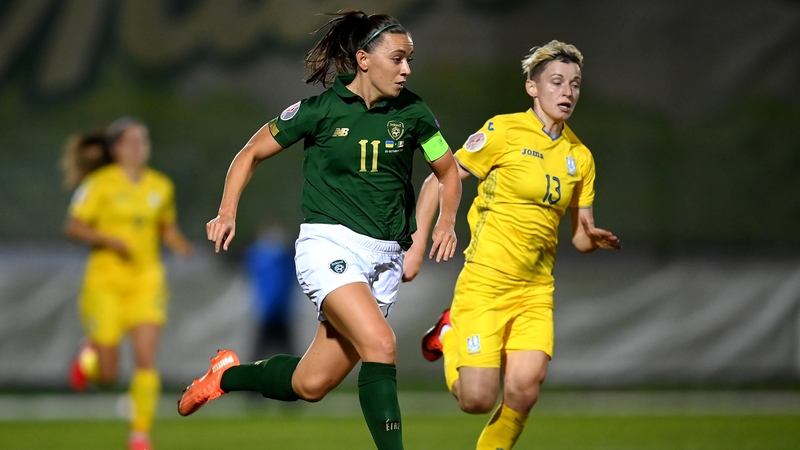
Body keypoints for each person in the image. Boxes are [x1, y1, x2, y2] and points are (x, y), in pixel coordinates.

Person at [177, 10, 462, 450]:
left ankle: (225, 375)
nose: (406, 69)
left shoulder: (415, 114)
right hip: (329, 245)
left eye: (410, 60)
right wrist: (227, 210)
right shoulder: (321, 110)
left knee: (310, 384)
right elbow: (251, 152)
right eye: (398, 58)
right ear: (364, 59)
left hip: (384, 258)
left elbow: (448, 173)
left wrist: (441, 223)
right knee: (382, 346)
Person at [408, 40, 621, 450]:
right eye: (556, 82)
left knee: (523, 392)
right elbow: (439, 178)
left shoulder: (581, 156)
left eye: (575, 84)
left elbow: (579, 236)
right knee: (476, 399)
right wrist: (423, 239)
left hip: (535, 292)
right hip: (485, 283)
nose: (567, 92)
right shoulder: (502, 131)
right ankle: (448, 331)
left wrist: (592, 238)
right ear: (532, 88)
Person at [63, 117, 193, 450]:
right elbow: (74, 227)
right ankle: (89, 357)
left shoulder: (161, 185)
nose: (140, 147)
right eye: (133, 141)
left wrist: (179, 243)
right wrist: (108, 239)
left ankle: (139, 434)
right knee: (107, 375)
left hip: (146, 280)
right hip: (105, 283)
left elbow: (165, 226)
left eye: (144, 140)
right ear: (116, 148)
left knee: (146, 358)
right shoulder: (99, 184)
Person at [242, 220, 297, 360]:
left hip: (279, 311)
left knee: (285, 353)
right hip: (268, 310)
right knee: (262, 353)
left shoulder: (284, 257)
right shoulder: (269, 256)